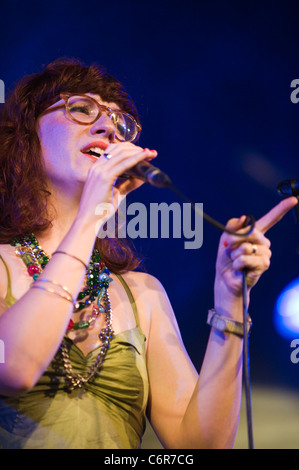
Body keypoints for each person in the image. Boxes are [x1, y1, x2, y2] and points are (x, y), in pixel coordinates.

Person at [0, 58, 296, 450]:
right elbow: (15, 368)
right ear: (27, 135)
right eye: (81, 109)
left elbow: (200, 446)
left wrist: (231, 300)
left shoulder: (143, 295)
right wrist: (92, 216)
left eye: (119, 124)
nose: (107, 126)